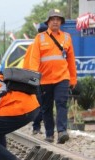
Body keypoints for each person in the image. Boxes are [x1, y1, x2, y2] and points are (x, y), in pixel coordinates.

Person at [28, 9, 77, 144]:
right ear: (48, 22)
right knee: (46, 107)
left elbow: (71, 60)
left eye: (58, 19)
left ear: (61, 22)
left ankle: (62, 131)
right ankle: (49, 134)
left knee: (61, 103)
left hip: (62, 78)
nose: (55, 21)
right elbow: (34, 60)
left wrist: (73, 78)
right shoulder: (40, 38)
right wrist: (33, 78)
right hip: (44, 79)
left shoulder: (67, 37)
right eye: (53, 19)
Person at [23, 22, 47, 135]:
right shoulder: (41, 45)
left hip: (34, 78)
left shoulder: (32, 45)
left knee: (39, 103)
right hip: (39, 78)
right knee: (43, 104)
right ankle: (37, 126)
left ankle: (37, 127)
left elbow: (26, 64)